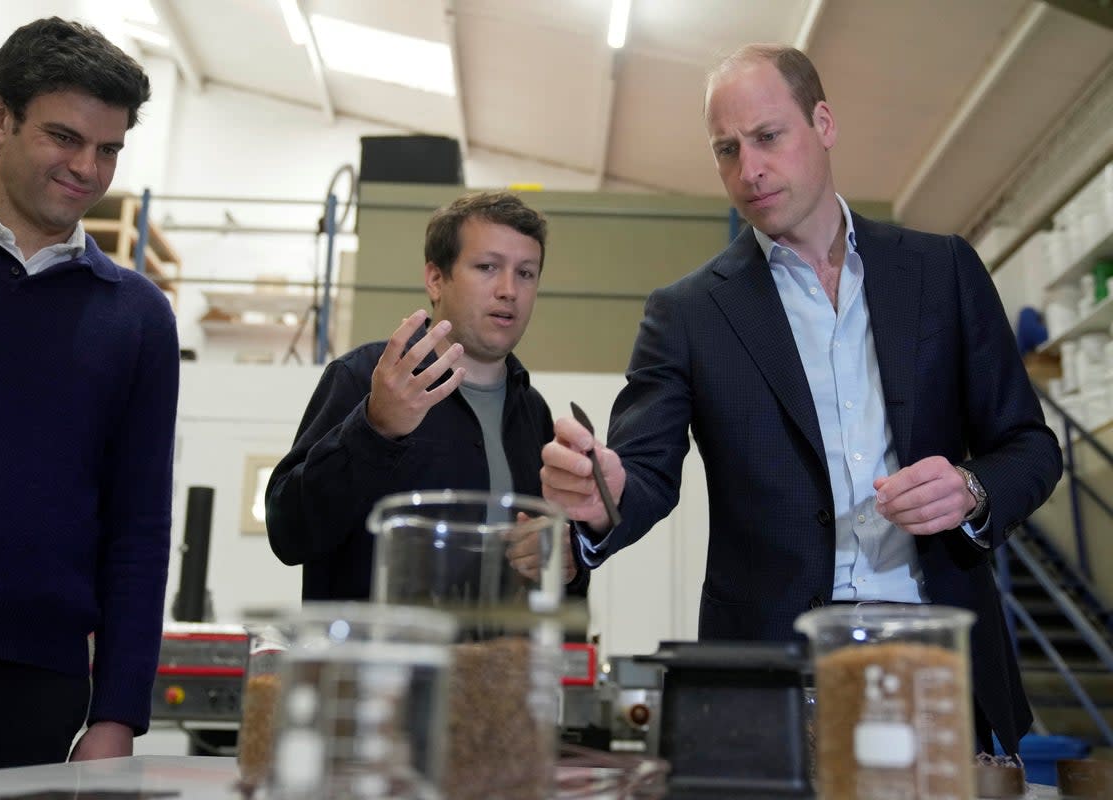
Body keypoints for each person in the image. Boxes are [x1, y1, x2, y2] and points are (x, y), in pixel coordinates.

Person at [540, 44, 1061, 755]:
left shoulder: (942, 272)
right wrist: (607, 498)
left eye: (767, 137)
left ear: (823, 122)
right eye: (726, 149)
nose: (748, 169)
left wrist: (971, 489)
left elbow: (1029, 446)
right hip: (771, 670)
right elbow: (643, 470)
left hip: (936, 652)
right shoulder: (688, 312)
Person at [0, 18, 178, 774]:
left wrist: (120, 711)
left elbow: (139, 527)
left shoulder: (138, 317)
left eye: (109, 149)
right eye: (65, 138)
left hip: (35, 688)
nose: (88, 169)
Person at [266, 190, 587, 600]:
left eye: (526, 273)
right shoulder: (363, 378)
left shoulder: (531, 411)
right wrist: (374, 428)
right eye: (488, 267)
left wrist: (569, 563)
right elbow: (288, 534)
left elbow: (552, 569)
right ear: (436, 279)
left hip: (494, 662)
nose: (509, 289)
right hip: (375, 663)